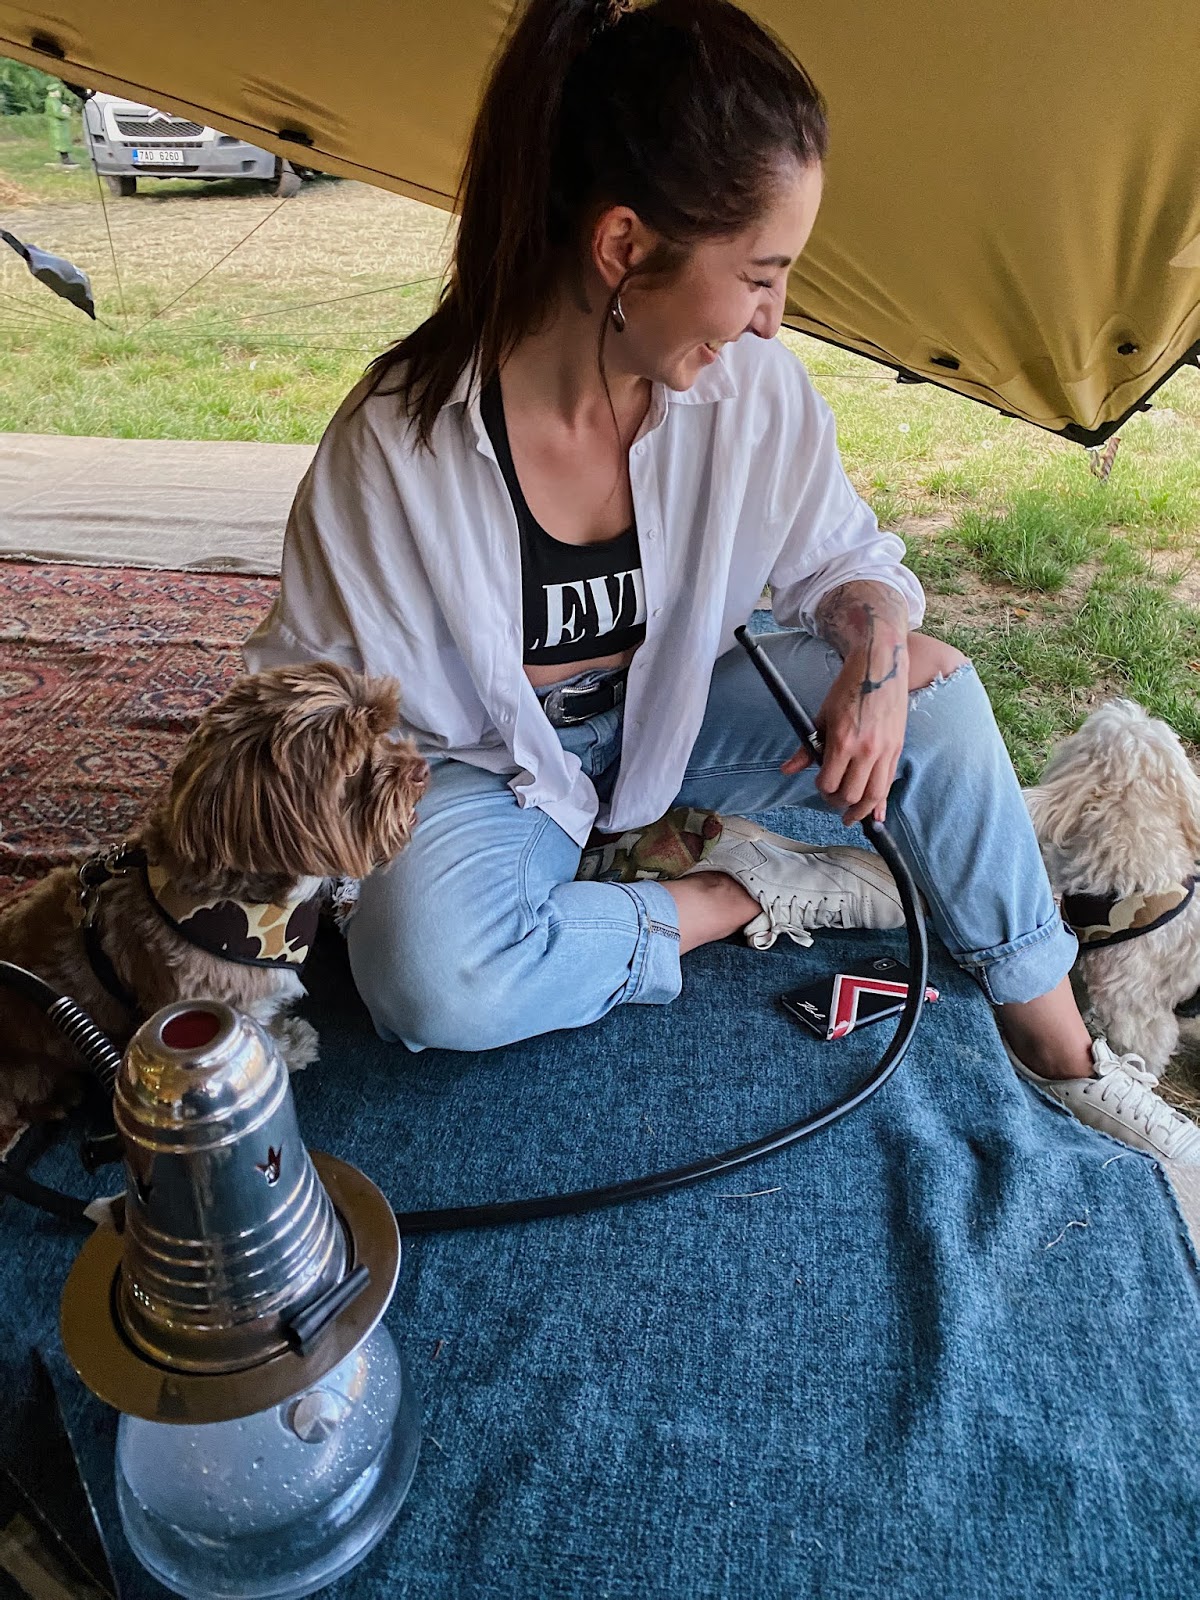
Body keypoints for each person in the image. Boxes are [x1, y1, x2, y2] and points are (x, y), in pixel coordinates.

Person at [245, 0, 1200, 1164]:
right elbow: (305, 714)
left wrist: (873, 653)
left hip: (677, 724)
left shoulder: (754, 395)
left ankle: (1063, 1050)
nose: (771, 319)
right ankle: (744, 886)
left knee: (939, 700)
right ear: (622, 248)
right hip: (489, 774)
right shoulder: (400, 446)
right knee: (430, 977)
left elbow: (850, 563)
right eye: (758, 275)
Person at [44, 84, 76, 168]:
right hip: (58, 126)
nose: (59, 93)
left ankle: (66, 158)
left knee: (63, 142)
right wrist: (67, 113)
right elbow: (57, 113)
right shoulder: (53, 101)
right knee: (62, 142)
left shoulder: (53, 101)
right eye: (58, 91)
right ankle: (66, 159)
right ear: (54, 92)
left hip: (59, 125)